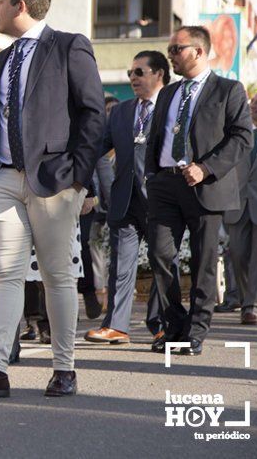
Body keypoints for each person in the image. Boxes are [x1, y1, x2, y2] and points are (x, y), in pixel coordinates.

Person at [0, 0, 105, 399]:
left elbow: (93, 114)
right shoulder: (0, 61)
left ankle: (64, 368)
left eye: (0, 1)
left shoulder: (69, 46)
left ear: (20, 5)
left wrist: (79, 178)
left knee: (58, 276)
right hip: (1, 178)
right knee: (6, 273)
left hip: (55, 182)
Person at [145, 26, 252, 356]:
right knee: (160, 255)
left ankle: (197, 330)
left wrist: (205, 167)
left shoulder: (228, 90)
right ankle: (175, 326)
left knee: (204, 262)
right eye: (170, 50)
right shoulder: (167, 93)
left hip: (206, 186)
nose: (170, 56)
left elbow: (242, 138)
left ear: (198, 52)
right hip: (165, 183)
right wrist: (152, 175)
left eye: (176, 49)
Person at [85, 51, 170, 346]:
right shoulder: (121, 111)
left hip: (161, 198)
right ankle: (117, 326)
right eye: (130, 73)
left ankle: (162, 324)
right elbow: (99, 146)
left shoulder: (174, 108)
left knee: (162, 263)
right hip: (124, 198)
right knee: (120, 265)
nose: (132, 78)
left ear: (158, 74)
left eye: (139, 72)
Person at [223, 89, 257, 325]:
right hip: (237, 204)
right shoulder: (239, 135)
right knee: (239, 255)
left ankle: (255, 305)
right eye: (252, 102)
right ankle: (247, 300)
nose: (253, 106)